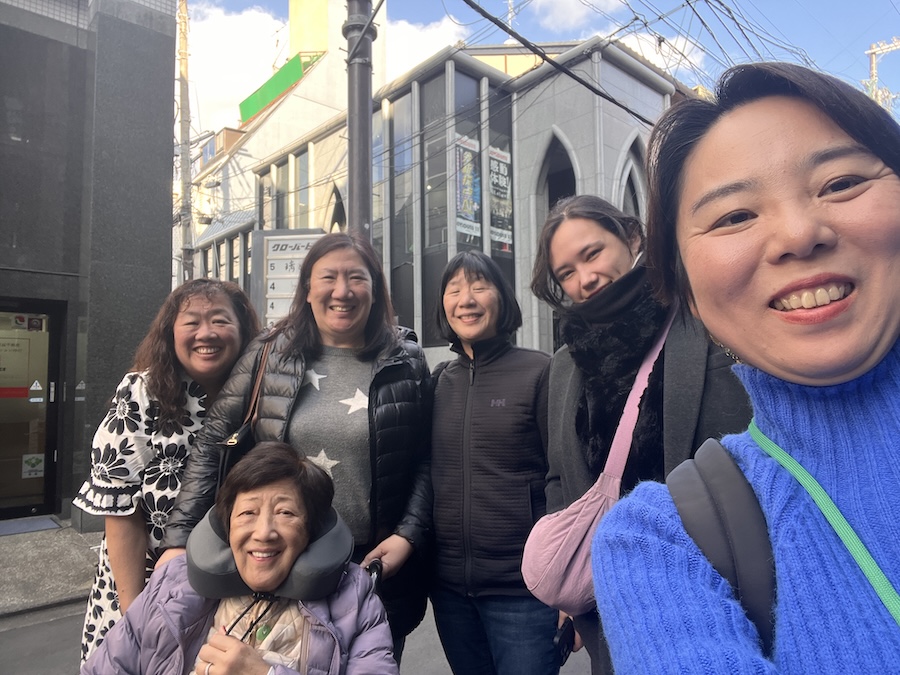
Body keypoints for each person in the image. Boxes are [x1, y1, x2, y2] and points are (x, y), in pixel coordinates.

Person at [591, 61, 900, 672]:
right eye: (735, 216)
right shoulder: (660, 543)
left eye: (840, 183)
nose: (798, 233)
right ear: (683, 286)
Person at [159, 233, 432, 660]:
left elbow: (426, 458)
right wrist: (178, 539)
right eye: (328, 277)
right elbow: (214, 441)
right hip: (273, 556)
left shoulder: (406, 360)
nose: (342, 291)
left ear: (375, 290)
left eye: (356, 278)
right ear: (307, 289)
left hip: (370, 562)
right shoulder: (269, 352)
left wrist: (407, 536)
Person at [529, 195, 751, 673]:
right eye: (566, 272)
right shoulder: (565, 364)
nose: (585, 278)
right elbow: (558, 478)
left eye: (592, 253)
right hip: (609, 608)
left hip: (717, 599)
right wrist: (570, 574)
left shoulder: (706, 322)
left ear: (632, 238)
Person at [82, 441, 398, 675]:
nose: (264, 532)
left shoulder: (354, 598)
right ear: (226, 526)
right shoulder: (172, 582)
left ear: (312, 530)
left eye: (285, 513)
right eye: (247, 513)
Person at [73, 278, 259, 662]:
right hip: (144, 585)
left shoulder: (261, 394)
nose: (206, 333)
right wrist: (137, 616)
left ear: (243, 331)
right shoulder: (142, 394)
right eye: (192, 322)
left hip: (238, 590)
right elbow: (121, 512)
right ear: (171, 332)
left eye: (220, 320)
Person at [428, 250, 558, 674]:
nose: (466, 299)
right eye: (454, 290)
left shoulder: (540, 372)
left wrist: (568, 585)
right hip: (450, 594)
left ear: (502, 298)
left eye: (479, 286)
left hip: (524, 594)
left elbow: (564, 480)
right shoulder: (438, 382)